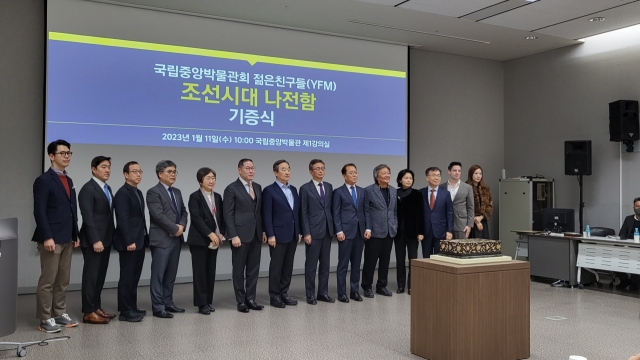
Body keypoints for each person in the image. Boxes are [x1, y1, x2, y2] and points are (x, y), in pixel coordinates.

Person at [32, 139, 80, 333]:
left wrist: (76, 233)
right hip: (51, 238)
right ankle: (45, 318)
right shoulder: (43, 180)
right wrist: (47, 237)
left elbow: (71, 210)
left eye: (69, 153)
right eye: (63, 153)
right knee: (48, 281)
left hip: (67, 237)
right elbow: (39, 211)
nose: (67, 156)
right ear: (51, 156)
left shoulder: (68, 180)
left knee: (63, 280)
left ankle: (59, 314)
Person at [223, 159, 266, 313]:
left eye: (252, 168)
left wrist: (264, 231)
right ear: (239, 170)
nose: (251, 171)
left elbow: (259, 212)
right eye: (247, 168)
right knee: (239, 269)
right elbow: (228, 214)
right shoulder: (231, 188)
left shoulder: (258, 187)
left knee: (253, 269)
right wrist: (233, 235)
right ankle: (240, 301)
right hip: (239, 236)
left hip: (256, 234)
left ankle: (251, 298)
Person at [147, 160, 188, 318]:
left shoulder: (176, 192)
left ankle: (168, 303)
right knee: (158, 274)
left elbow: (184, 212)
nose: (173, 175)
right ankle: (158, 307)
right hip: (162, 239)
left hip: (176, 239)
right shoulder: (153, 192)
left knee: (171, 274)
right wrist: (174, 229)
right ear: (160, 174)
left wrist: (182, 227)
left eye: (175, 172)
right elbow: (158, 215)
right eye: (170, 172)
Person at [78, 156, 116, 324]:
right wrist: (95, 240)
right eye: (103, 167)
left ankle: (96, 307)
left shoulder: (107, 188)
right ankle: (87, 312)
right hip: (94, 241)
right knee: (91, 276)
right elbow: (88, 217)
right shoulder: (88, 189)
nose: (107, 170)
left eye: (108, 167)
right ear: (93, 169)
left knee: (100, 276)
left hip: (106, 239)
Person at [263, 160, 301, 308]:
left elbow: (295, 213)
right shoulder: (269, 190)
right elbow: (267, 214)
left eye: (288, 169)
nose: (287, 172)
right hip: (277, 235)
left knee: (288, 266)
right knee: (276, 267)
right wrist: (270, 234)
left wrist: (298, 231)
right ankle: (274, 296)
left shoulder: (293, 190)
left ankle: (284, 293)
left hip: (292, 234)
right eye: (283, 169)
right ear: (275, 173)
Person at [187, 167, 225, 315]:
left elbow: (221, 218)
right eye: (208, 178)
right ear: (200, 181)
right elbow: (196, 218)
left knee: (210, 272)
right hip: (200, 240)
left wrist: (221, 233)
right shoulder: (195, 197)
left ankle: (208, 301)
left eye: (213, 178)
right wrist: (210, 234)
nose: (211, 181)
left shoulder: (218, 197)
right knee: (200, 273)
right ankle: (201, 304)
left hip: (215, 240)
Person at [113, 161, 147, 322]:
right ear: (126, 174)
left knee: (134, 276)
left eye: (140, 171)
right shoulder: (122, 193)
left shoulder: (137, 192)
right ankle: (125, 311)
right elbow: (123, 219)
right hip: (129, 242)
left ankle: (132, 307)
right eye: (134, 171)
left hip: (139, 241)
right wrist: (129, 240)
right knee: (127, 277)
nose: (138, 174)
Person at [300, 159, 335, 305]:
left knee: (325, 265)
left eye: (323, 168)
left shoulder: (328, 186)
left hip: (327, 231)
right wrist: (306, 232)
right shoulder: (305, 188)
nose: (321, 171)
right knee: (311, 265)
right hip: (313, 232)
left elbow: (330, 209)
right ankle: (310, 294)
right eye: (317, 168)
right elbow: (303, 212)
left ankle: (323, 293)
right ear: (310, 171)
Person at [332, 163, 366, 303]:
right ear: (344, 175)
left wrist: (368, 228)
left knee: (357, 264)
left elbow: (366, 211)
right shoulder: (338, 192)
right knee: (343, 265)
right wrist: (339, 230)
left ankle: (354, 291)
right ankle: (341, 293)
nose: (354, 175)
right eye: (351, 173)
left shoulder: (362, 191)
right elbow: (336, 213)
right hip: (345, 232)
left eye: (355, 172)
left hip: (360, 232)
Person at [362, 164, 398, 298]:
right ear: (377, 176)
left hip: (389, 231)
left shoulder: (394, 191)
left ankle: (381, 286)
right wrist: (368, 228)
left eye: (388, 172)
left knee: (385, 260)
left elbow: (394, 211)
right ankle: (367, 286)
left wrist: (394, 225)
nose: (387, 175)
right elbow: (366, 211)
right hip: (374, 232)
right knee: (370, 261)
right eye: (384, 173)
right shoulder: (368, 191)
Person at [394, 169, 424, 295]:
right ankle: (401, 285)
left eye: (410, 178)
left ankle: (412, 285)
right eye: (406, 178)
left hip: (413, 233)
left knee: (413, 258)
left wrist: (421, 232)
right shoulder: (394, 193)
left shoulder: (417, 194)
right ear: (400, 179)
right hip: (398, 232)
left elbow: (421, 214)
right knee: (400, 259)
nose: (408, 180)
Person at [421, 167, 453, 258]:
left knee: (440, 258)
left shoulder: (446, 193)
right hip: (426, 231)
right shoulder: (421, 193)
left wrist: (449, 231)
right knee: (426, 257)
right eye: (434, 175)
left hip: (441, 230)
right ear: (427, 178)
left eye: (438, 175)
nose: (437, 178)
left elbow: (450, 213)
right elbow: (418, 214)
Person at [440, 162, 474, 239]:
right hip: (445, 223)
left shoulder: (467, 187)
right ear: (449, 171)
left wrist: (469, 225)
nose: (457, 173)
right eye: (454, 170)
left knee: (461, 248)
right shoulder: (442, 187)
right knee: (445, 249)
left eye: (459, 171)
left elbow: (470, 207)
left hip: (461, 224)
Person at [615, 197, 640, 291]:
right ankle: (624, 279)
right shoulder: (629, 219)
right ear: (633, 207)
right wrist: (624, 244)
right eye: (637, 206)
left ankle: (635, 282)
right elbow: (622, 234)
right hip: (627, 246)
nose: (639, 208)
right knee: (614, 255)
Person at [465, 165, 493, 239]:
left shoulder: (485, 189)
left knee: (484, 246)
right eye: (476, 173)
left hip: (482, 221)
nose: (478, 176)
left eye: (480, 174)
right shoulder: (465, 188)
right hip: (469, 223)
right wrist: (476, 221)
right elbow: (464, 207)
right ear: (471, 174)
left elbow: (489, 206)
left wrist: (481, 217)